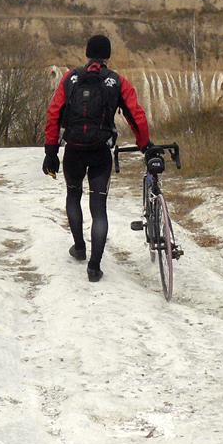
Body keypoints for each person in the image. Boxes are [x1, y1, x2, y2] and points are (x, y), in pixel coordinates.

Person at [42, 34, 151, 282]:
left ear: (87, 53)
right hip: (100, 151)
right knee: (98, 207)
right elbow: (136, 115)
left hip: (74, 150)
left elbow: (54, 113)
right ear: (107, 56)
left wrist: (51, 151)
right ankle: (94, 267)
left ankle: (79, 247)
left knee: (73, 195)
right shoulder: (117, 82)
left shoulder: (71, 78)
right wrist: (144, 144)